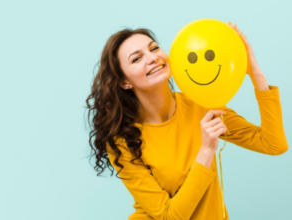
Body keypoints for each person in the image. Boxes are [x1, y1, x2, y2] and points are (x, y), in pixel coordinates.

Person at [85, 21, 289, 220]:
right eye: (136, 59)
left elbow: (273, 144)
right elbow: (169, 216)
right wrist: (206, 150)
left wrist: (256, 75)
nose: (152, 58)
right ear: (124, 82)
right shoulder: (121, 141)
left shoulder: (200, 103)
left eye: (154, 48)